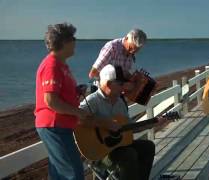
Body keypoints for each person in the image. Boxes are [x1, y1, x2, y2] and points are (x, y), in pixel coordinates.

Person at [35, 23, 119, 180]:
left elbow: (59, 94)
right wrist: (78, 112)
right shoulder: (51, 65)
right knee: (73, 173)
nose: (76, 42)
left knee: (59, 174)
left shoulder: (61, 65)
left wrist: (76, 91)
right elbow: (51, 101)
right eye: (73, 38)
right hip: (54, 125)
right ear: (64, 42)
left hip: (61, 126)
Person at [80, 64, 164, 180]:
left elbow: (128, 127)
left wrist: (150, 124)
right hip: (99, 154)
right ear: (108, 84)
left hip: (118, 146)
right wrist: (105, 124)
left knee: (148, 146)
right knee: (129, 154)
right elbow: (78, 120)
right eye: (120, 84)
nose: (124, 87)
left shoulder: (120, 102)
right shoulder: (93, 100)